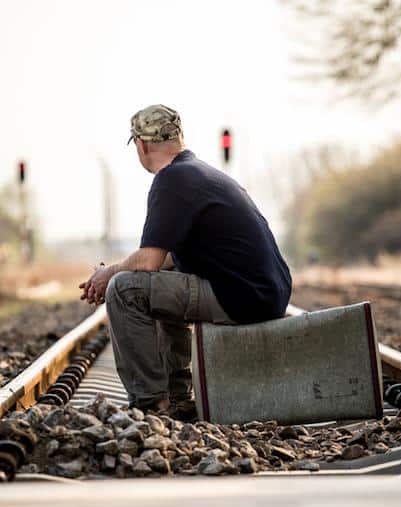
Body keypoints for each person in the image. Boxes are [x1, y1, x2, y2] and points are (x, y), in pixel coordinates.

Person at [79, 104, 292, 418]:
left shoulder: (172, 180)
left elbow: (149, 261)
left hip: (243, 298)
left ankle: (150, 403)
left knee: (125, 290)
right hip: (263, 293)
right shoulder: (200, 173)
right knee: (155, 285)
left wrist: (108, 273)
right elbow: (162, 264)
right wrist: (110, 272)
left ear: (141, 144)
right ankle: (178, 397)